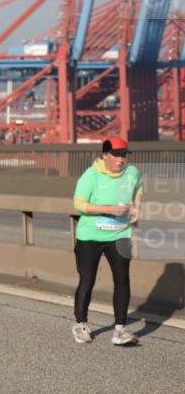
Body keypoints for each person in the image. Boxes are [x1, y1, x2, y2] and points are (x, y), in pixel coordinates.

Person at [72, 136, 143, 346]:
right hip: (90, 236)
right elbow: (79, 204)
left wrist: (137, 205)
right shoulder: (91, 175)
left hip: (120, 235)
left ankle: (120, 330)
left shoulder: (132, 172)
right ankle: (81, 324)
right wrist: (109, 209)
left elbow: (139, 187)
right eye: (116, 155)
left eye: (124, 155)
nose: (120, 160)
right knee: (87, 280)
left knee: (122, 280)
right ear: (105, 155)